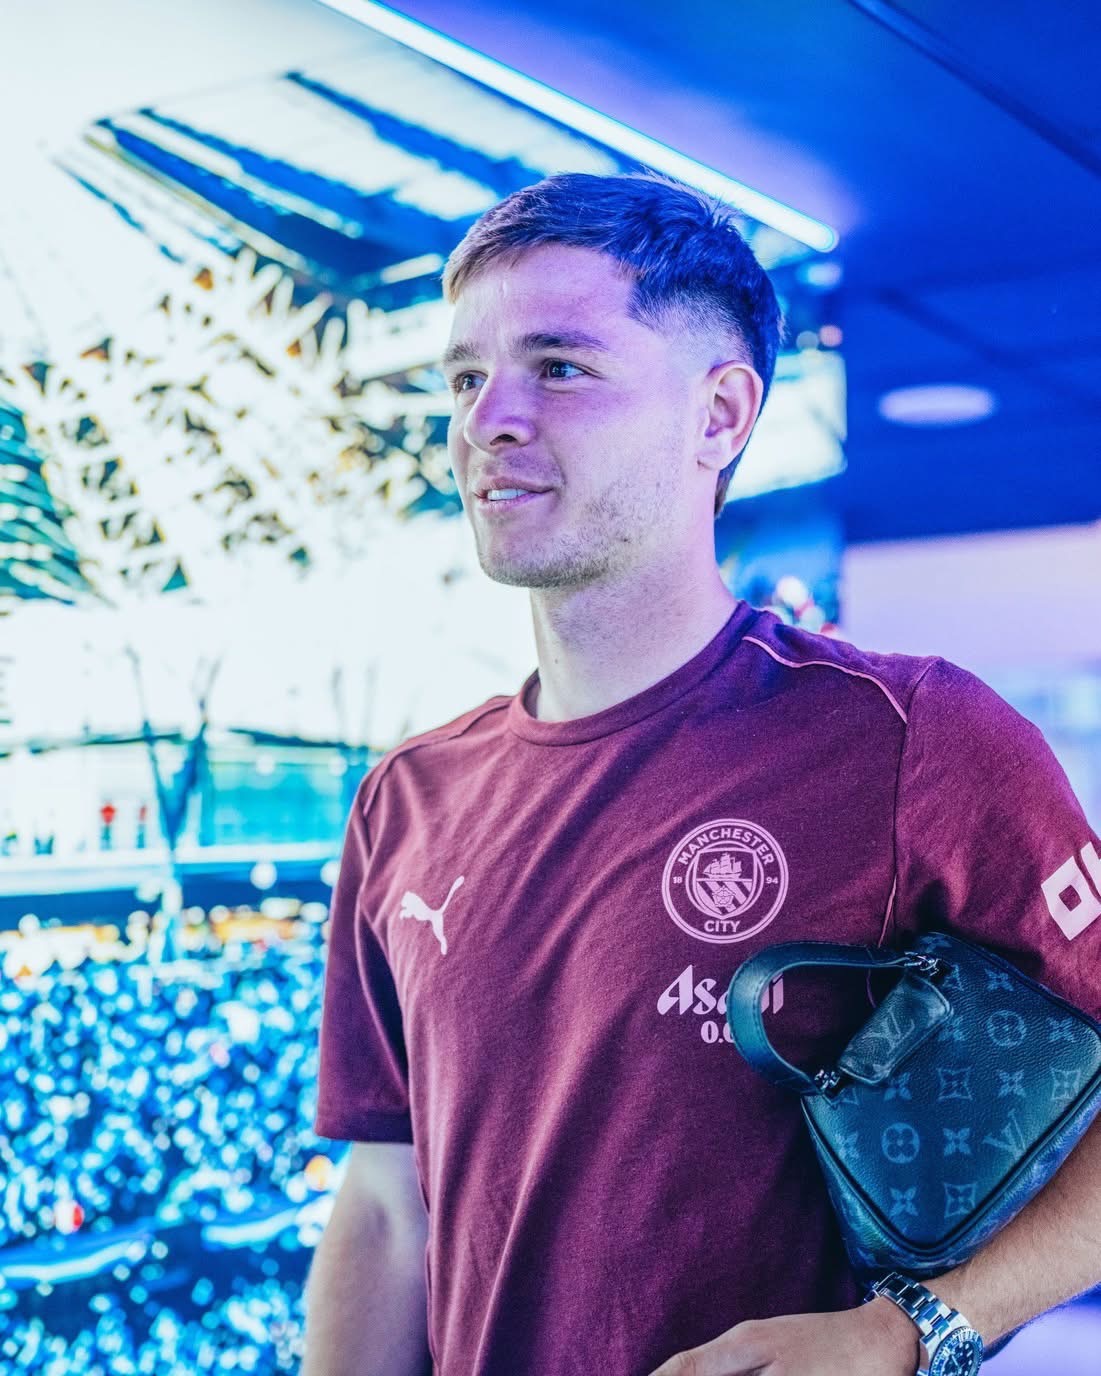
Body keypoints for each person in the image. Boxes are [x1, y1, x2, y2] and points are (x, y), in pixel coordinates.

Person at [303, 171, 1101, 1376]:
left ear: (719, 416)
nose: (489, 419)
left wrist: (912, 1329)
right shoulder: (407, 799)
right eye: (465, 378)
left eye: (558, 367)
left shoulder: (911, 737)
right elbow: (382, 1201)